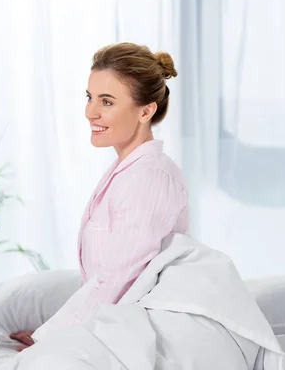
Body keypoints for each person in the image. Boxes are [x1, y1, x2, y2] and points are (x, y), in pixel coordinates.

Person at [11, 42, 189, 350]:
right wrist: (53, 331)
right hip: (111, 331)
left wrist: (51, 340)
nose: (90, 112)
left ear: (146, 111)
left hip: (135, 341)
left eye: (106, 102)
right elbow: (103, 280)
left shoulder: (148, 178)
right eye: (90, 97)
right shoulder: (128, 170)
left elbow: (119, 281)